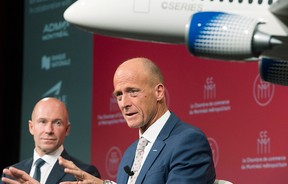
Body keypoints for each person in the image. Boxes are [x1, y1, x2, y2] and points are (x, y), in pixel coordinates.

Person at [59, 57, 216, 184]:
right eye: (119, 95)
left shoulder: (188, 142)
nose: (124, 103)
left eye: (133, 92)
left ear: (159, 92)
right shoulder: (130, 153)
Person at [1, 97, 101, 184]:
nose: (49, 130)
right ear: (31, 127)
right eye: (42, 122)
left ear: (67, 129)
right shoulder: (11, 175)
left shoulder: (84, 174)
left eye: (57, 123)